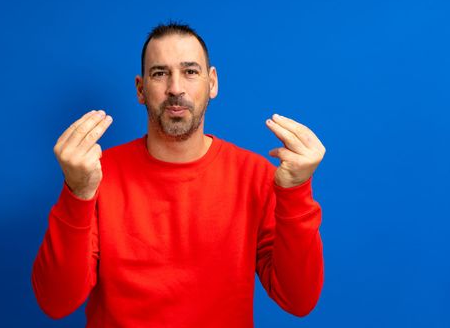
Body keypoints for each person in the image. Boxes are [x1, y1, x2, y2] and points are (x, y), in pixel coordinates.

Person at [32, 22, 326, 328]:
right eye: (160, 73)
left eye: (190, 71)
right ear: (140, 89)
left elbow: (298, 300)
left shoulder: (255, 176)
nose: (175, 88)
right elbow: (55, 302)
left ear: (212, 82)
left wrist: (296, 192)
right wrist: (77, 193)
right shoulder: (96, 175)